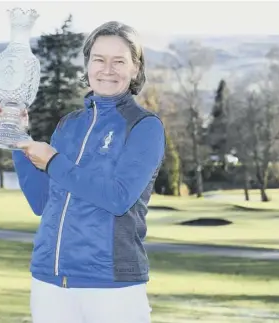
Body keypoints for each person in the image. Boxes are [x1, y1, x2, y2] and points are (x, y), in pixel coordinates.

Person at [10, 20, 166, 323]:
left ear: (135, 68)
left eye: (118, 61)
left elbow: (118, 198)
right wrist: (19, 143)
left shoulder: (144, 126)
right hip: (49, 282)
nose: (107, 69)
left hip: (112, 287)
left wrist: (54, 162)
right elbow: (42, 202)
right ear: (87, 65)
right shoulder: (68, 124)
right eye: (99, 59)